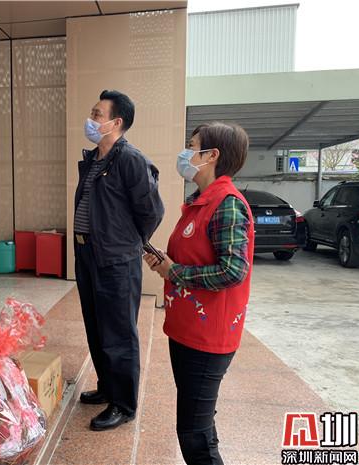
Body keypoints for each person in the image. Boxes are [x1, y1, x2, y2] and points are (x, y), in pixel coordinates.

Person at [144, 121, 254, 464]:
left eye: (192, 147)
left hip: (208, 338)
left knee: (193, 434)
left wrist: (174, 271)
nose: (186, 153)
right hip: (188, 329)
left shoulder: (227, 204)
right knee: (199, 424)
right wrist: (167, 263)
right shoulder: (200, 203)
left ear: (211, 155)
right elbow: (197, 255)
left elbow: (232, 270)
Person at [74, 90, 164, 431]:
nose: (91, 119)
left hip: (116, 259)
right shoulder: (94, 159)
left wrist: (128, 243)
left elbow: (152, 212)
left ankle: (123, 404)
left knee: (119, 333)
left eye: (97, 114)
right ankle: (107, 387)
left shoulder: (131, 160)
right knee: (97, 326)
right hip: (88, 255)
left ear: (116, 122)